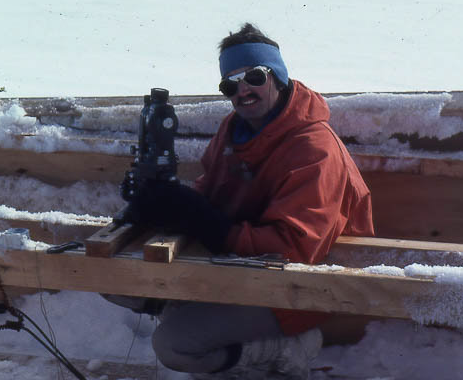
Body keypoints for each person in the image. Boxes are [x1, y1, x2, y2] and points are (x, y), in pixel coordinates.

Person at [118, 22, 374, 379]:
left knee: (173, 346)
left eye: (254, 76)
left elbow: (294, 252)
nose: (243, 91)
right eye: (230, 84)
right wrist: (160, 203)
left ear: (278, 77)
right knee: (119, 285)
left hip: (300, 289)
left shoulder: (315, 149)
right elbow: (212, 192)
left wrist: (202, 219)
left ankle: (287, 348)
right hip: (243, 265)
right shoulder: (234, 128)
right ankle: (217, 333)